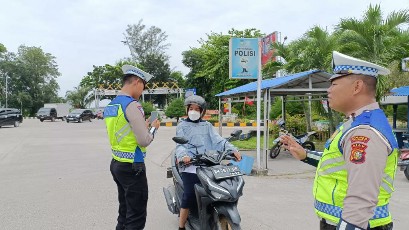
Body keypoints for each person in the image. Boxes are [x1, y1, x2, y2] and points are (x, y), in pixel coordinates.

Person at [281, 51, 397, 230]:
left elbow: (361, 199)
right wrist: (305, 155)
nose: (329, 90)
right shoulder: (354, 123)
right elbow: (342, 164)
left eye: (334, 84)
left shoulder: (365, 131)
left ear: (357, 86)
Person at [103, 65, 160, 230]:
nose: (142, 90)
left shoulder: (112, 105)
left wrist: (144, 125)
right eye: (143, 86)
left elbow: (124, 130)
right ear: (136, 82)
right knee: (136, 217)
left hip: (117, 164)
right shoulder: (132, 105)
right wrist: (154, 128)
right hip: (133, 166)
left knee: (125, 211)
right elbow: (144, 140)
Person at [175, 95, 242, 230]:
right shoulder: (182, 125)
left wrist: (232, 150)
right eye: (191, 108)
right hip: (190, 165)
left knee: (219, 189)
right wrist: (184, 156)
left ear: (202, 111)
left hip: (208, 164)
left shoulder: (207, 125)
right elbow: (180, 145)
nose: (193, 111)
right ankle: (181, 226)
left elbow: (218, 140)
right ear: (187, 109)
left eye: (197, 109)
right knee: (189, 195)